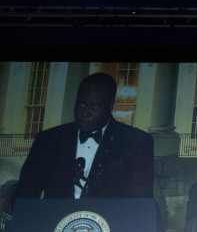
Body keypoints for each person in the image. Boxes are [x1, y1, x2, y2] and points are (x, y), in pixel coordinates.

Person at [15, 72, 154, 203]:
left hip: (111, 226)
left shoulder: (137, 142)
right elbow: (24, 197)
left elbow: (139, 205)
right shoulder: (47, 140)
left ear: (110, 106)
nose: (85, 113)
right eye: (81, 104)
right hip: (53, 225)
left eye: (94, 106)